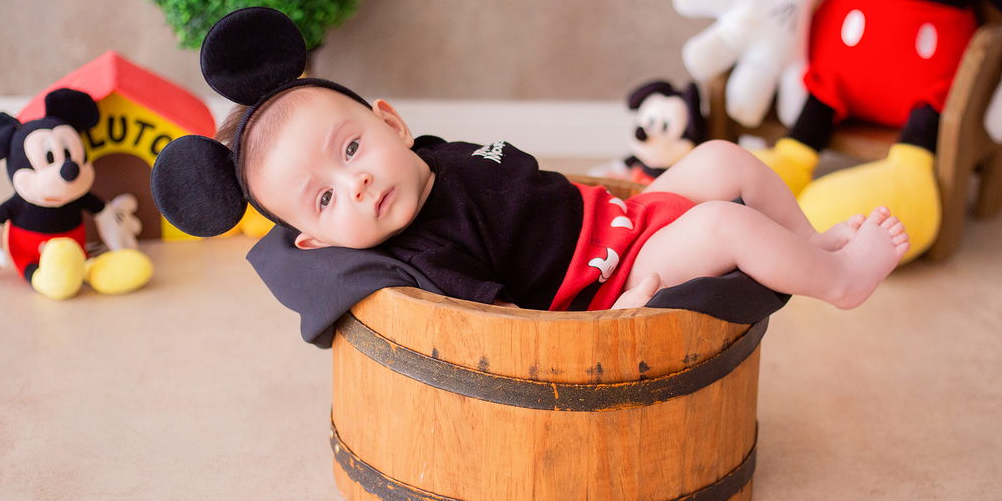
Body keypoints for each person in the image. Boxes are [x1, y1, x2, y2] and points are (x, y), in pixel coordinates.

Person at [219, 83, 910, 314]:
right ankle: (841, 282)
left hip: (618, 218)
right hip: (610, 285)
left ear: (392, 123)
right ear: (317, 240)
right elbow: (507, 330)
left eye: (351, 150)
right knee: (725, 225)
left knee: (725, 158)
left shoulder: (431, 156)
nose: (357, 182)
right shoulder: (426, 257)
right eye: (326, 200)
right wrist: (606, 325)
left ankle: (807, 243)